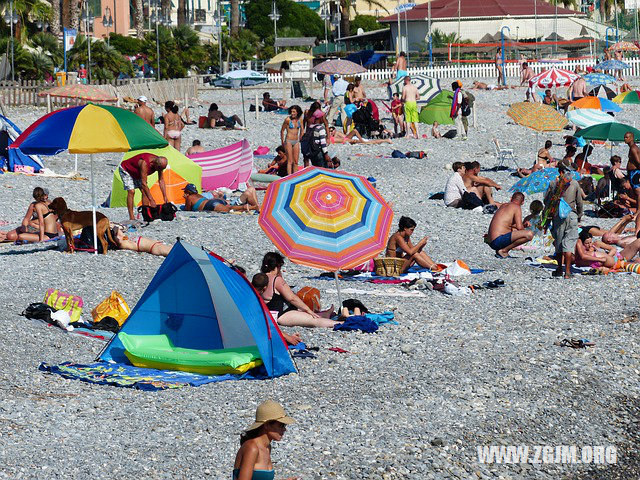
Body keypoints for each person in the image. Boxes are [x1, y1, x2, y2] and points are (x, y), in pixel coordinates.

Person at [257, 252, 341, 328]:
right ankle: (341, 323)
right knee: (313, 320)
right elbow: (292, 298)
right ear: (277, 266)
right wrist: (308, 310)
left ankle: (325, 314)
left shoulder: (260, 278)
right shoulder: (276, 280)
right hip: (280, 315)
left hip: (267, 313)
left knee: (307, 314)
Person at [232, 400, 298, 480]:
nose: (284, 429)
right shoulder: (252, 448)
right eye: (281, 425)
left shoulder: (267, 447)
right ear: (266, 425)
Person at [544, 158, 584, 278]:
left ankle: (559, 269)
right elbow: (579, 202)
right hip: (571, 215)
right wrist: (580, 215)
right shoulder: (574, 183)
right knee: (569, 244)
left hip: (557, 216)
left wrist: (546, 219)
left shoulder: (553, 183)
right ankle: (567, 272)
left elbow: (546, 201)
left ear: (559, 171)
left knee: (559, 243)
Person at [119, 153, 168, 221]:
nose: (159, 171)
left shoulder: (159, 163)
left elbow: (161, 180)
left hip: (138, 173)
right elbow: (144, 184)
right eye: (159, 169)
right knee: (131, 191)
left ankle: (146, 215)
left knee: (144, 192)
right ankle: (131, 217)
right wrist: (151, 200)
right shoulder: (144, 163)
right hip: (126, 169)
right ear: (154, 164)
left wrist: (165, 196)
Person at [487, 192, 534, 258]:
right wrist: (523, 232)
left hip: (490, 241)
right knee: (529, 234)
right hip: (498, 241)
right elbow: (519, 228)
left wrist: (524, 226)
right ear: (522, 202)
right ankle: (504, 250)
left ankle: (502, 250)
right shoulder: (516, 207)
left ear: (511, 198)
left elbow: (509, 224)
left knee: (516, 230)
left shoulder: (503, 205)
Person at [183, 183, 259, 213]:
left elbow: (188, 210)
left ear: (188, 192)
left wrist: (186, 199)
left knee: (229, 208)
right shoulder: (199, 195)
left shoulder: (189, 198)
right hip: (214, 201)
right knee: (229, 207)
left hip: (210, 205)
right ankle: (255, 207)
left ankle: (252, 208)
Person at [624, 131, 640, 235]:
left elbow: (638, 162)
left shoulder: (633, 148)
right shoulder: (632, 147)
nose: (625, 139)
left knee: (638, 192)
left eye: (627, 137)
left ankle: (638, 210)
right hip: (633, 172)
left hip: (635, 172)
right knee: (636, 192)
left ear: (632, 138)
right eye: (625, 137)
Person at [280, 105, 303, 175]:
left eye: (294, 112)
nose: (292, 113)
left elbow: (302, 129)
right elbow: (282, 130)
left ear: (297, 112)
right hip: (288, 140)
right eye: (291, 111)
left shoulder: (300, 119)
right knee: (290, 161)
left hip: (296, 141)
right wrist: (282, 141)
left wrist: (300, 137)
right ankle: (289, 176)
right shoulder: (287, 119)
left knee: (296, 161)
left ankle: (295, 176)